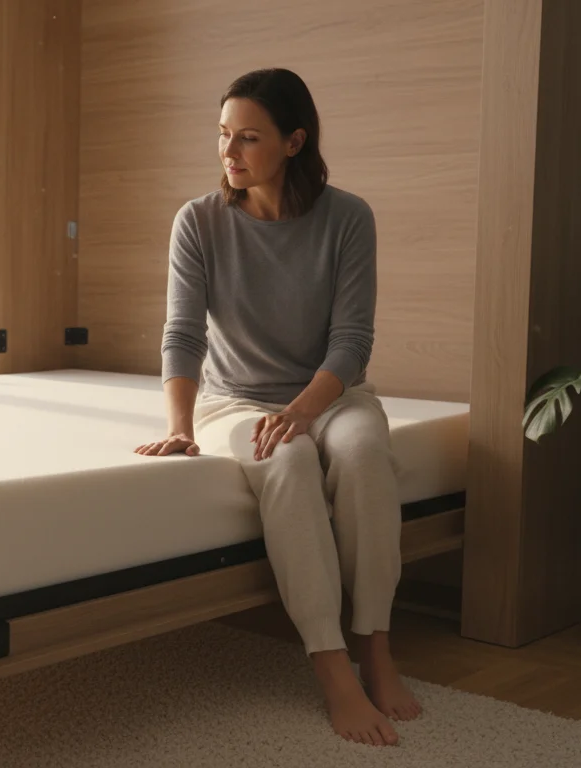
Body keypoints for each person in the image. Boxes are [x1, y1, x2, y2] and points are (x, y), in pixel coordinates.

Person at [134, 68, 420, 747]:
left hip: (332, 394)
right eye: (223, 135)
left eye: (249, 138)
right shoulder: (198, 221)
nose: (229, 153)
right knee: (286, 463)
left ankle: (375, 644)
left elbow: (352, 340)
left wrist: (304, 409)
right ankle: (331, 667)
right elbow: (182, 334)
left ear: (295, 142)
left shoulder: (348, 217)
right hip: (235, 400)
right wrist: (179, 426)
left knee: (360, 452)